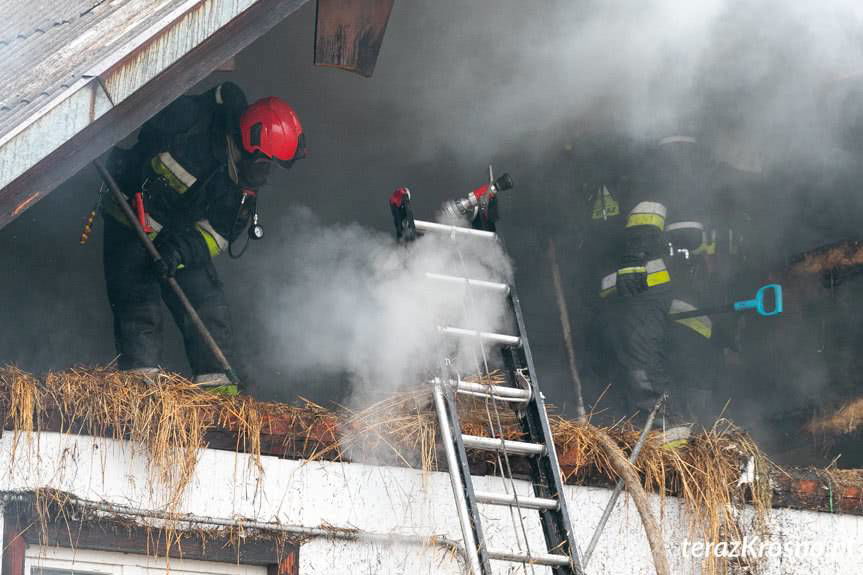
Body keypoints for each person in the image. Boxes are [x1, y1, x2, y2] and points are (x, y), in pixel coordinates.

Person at [103, 82, 306, 394]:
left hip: (176, 240)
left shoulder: (239, 191)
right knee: (139, 307)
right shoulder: (194, 125)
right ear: (247, 143)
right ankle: (139, 394)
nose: (266, 175)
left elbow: (214, 235)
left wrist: (178, 254)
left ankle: (219, 398)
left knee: (207, 305)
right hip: (130, 219)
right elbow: (141, 117)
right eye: (266, 164)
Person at [596, 135, 722, 436]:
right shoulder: (695, 189)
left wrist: (633, 260)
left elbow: (647, 214)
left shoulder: (656, 176)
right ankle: (685, 440)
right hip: (678, 299)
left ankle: (663, 436)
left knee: (643, 362)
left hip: (648, 290)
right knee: (678, 374)